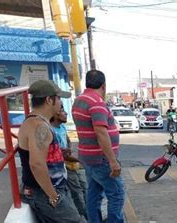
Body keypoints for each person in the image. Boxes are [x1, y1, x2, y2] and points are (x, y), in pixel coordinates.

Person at [17, 80, 84, 222]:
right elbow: (37, 164)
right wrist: (53, 196)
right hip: (44, 193)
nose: (61, 103)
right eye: (59, 98)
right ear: (49, 100)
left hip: (47, 190)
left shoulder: (37, 122)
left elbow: (41, 154)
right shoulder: (38, 126)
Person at [72, 70, 124, 223]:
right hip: (100, 159)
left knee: (94, 194)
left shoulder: (79, 100)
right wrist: (113, 161)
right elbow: (101, 133)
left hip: (87, 157)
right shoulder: (96, 102)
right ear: (104, 85)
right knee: (117, 194)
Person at [50, 105, 87, 219]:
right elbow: (60, 155)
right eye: (62, 111)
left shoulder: (61, 127)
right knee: (76, 191)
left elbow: (67, 139)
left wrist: (69, 148)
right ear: (55, 114)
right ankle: (83, 215)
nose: (66, 113)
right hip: (63, 166)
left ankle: (90, 213)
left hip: (70, 163)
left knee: (85, 187)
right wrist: (81, 161)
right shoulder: (51, 131)